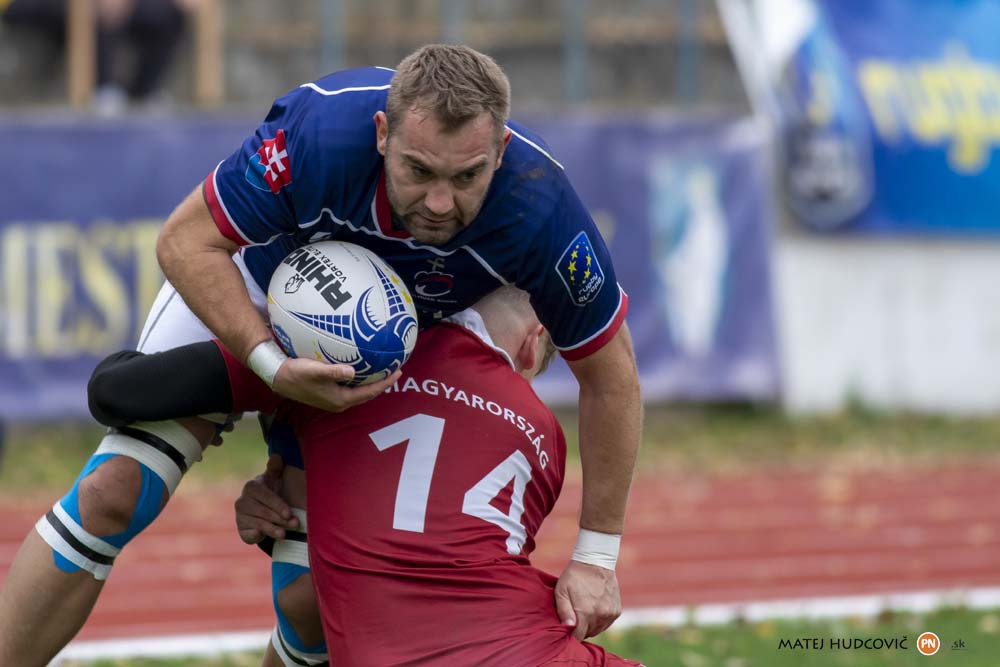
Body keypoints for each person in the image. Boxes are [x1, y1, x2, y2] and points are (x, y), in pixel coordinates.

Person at [0, 44, 641, 667]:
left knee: (308, 600)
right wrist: (268, 365)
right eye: (419, 171)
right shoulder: (323, 130)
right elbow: (187, 241)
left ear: (499, 152)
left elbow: (611, 376)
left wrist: (596, 556)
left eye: (467, 176)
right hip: (251, 286)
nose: (441, 202)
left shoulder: (542, 204)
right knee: (115, 490)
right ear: (382, 134)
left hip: (385, 348)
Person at [88, 287, 644, 666]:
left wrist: (288, 491)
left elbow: (116, 391)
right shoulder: (544, 429)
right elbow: (434, 533)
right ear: (531, 344)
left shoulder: (353, 362)